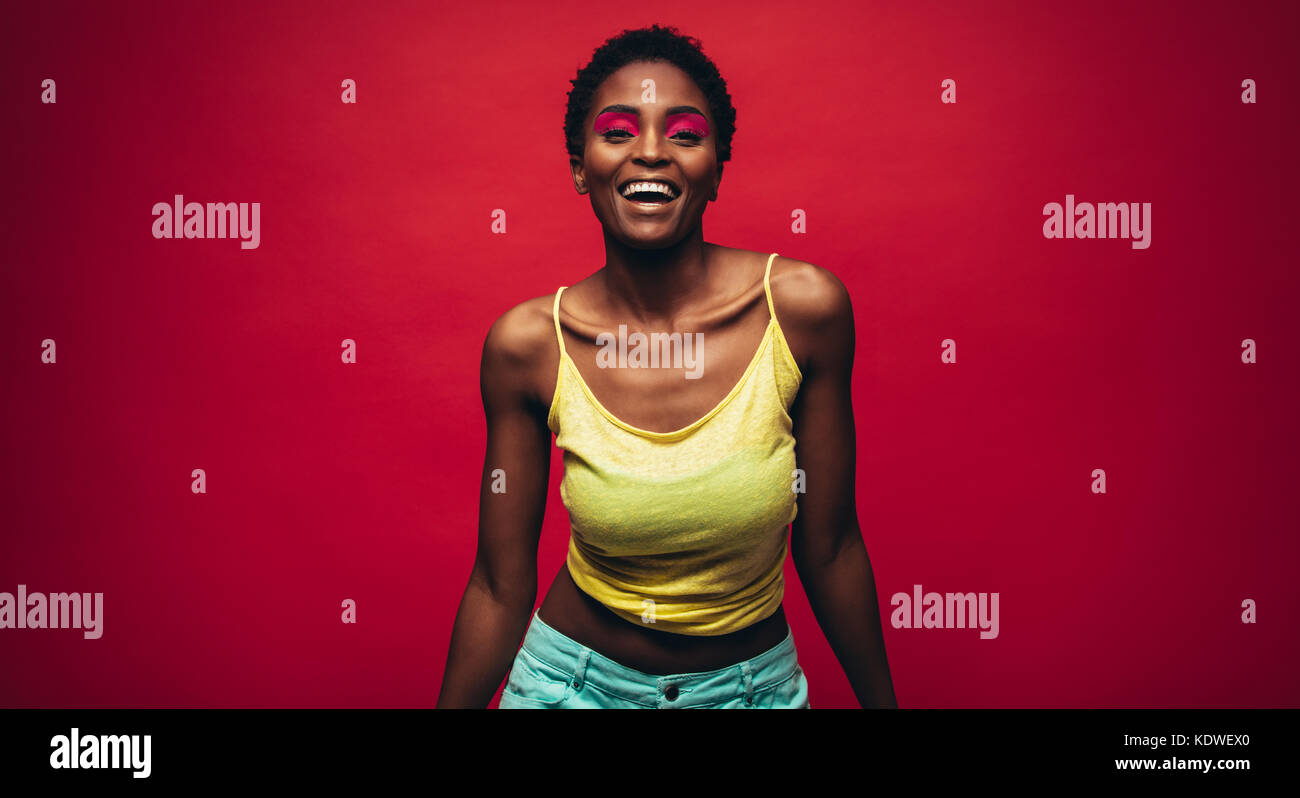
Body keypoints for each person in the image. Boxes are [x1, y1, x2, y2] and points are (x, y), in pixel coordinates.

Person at [437, 23, 897, 708]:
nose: (650, 152)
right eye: (618, 131)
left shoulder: (803, 312)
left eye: (684, 134)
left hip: (750, 692)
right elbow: (499, 586)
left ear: (717, 170)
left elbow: (830, 548)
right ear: (578, 165)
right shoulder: (528, 345)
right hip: (571, 688)